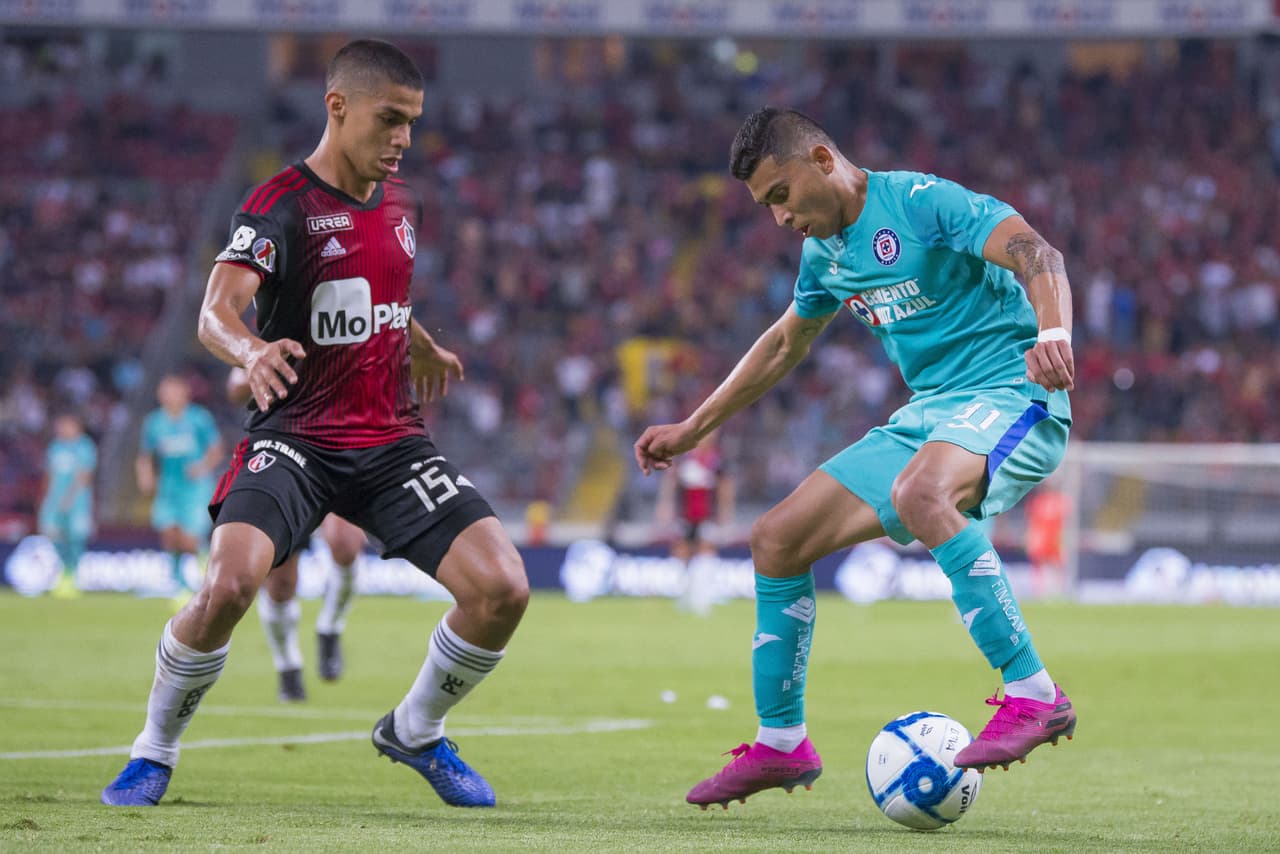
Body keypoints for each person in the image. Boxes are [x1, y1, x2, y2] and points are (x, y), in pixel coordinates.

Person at [101, 40, 529, 809]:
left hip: (392, 441)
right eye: (389, 119)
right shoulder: (278, 205)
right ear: (338, 108)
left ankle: (416, 729)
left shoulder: (403, 205)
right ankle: (153, 749)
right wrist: (251, 347)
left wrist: (422, 342)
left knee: (503, 588)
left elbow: (378, 291)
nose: (404, 138)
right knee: (229, 585)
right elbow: (215, 311)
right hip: (295, 439)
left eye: (412, 122)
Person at [634, 108, 1078, 810]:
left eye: (780, 195)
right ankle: (781, 744)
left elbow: (1036, 254)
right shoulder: (825, 254)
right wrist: (694, 427)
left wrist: (1053, 329)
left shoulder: (922, 203)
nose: (778, 219)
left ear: (820, 159)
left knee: (921, 493)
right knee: (776, 539)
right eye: (764, 208)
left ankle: (1035, 695)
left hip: (1013, 390)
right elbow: (784, 344)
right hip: (930, 414)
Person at [227, 367, 367, 702]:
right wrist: (272, 367)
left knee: (345, 543)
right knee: (280, 583)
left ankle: (330, 626)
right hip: (283, 460)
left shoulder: (346, 330)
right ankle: (288, 665)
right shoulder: (278, 334)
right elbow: (235, 388)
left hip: (338, 452)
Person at [136, 374, 223, 604]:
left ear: (185, 393)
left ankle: (206, 570)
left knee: (189, 539)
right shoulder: (154, 422)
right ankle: (179, 582)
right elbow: (145, 455)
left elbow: (216, 449)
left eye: (173, 390)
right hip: (168, 487)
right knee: (169, 534)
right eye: (164, 391)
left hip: (195, 488)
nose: (168, 396)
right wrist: (146, 476)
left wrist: (202, 467)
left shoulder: (199, 418)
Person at [654, 430, 736, 615]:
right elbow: (671, 481)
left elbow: (725, 488)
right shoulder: (685, 459)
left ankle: (702, 598)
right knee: (681, 552)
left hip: (708, 515)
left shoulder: (717, 461)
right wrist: (665, 506)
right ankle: (684, 594)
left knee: (706, 551)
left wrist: (726, 514)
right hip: (685, 515)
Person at [38, 413, 97, 599]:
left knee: (76, 537)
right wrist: (46, 497)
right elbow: (49, 474)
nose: (62, 429)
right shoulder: (55, 447)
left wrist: (69, 498)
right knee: (52, 534)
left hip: (77, 502)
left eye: (66, 424)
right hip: (54, 501)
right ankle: (65, 570)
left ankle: (72, 576)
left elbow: (85, 476)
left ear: (76, 425)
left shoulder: (85, 447)